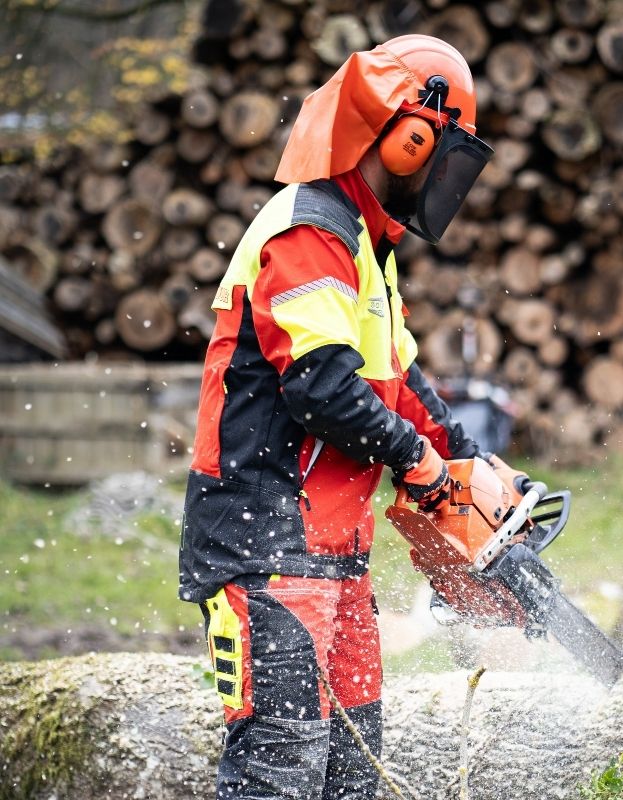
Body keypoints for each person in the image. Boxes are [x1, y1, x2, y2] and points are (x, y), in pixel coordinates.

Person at [178, 34, 530, 799]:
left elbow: (399, 386)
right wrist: (421, 466)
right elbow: (321, 386)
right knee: (280, 768)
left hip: (333, 551)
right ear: (409, 137)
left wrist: (473, 464)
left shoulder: (370, 245)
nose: (444, 174)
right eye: (440, 151)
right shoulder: (311, 231)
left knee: (352, 768)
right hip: (265, 540)